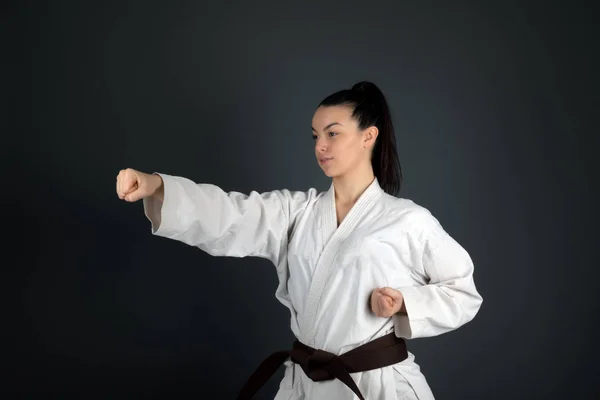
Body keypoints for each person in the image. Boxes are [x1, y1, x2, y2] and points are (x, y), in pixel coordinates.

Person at [115, 81, 483, 399]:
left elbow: (463, 291)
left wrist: (405, 302)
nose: (320, 145)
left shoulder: (407, 220)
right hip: (306, 384)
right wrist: (157, 186)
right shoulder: (298, 212)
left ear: (369, 136)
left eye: (332, 133)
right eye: (315, 135)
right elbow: (231, 214)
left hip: (377, 387)